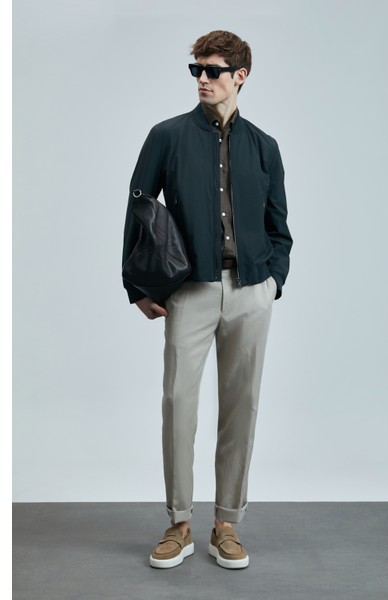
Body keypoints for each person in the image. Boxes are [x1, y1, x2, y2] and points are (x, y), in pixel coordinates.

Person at [122, 30, 293, 570]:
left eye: (212, 70)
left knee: (242, 405)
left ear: (240, 76)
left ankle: (226, 525)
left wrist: (273, 282)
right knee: (178, 403)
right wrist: (138, 286)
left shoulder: (264, 146)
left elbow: (279, 225)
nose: (202, 78)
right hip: (189, 291)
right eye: (196, 69)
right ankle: (179, 523)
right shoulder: (166, 136)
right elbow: (139, 210)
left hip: (251, 290)